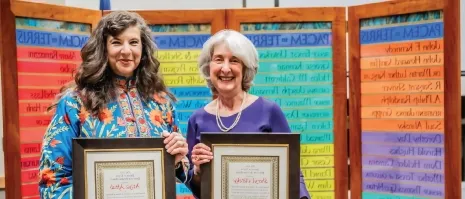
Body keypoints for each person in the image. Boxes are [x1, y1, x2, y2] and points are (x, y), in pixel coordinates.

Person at [38, 11, 189, 198]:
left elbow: (179, 173)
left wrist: (176, 159)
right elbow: (52, 181)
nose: (126, 51)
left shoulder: (162, 103)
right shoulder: (75, 103)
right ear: (103, 48)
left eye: (133, 42)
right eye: (116, 42)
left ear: (143, 50)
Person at [184, 29, 311, 199]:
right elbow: (198, 190)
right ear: (209, 66)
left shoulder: (269, 111)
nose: (226, 68)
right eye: (219, 59)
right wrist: (199, 171)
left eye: (234, 60)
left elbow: (292, 172)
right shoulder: (197, 120)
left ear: (245, 68)